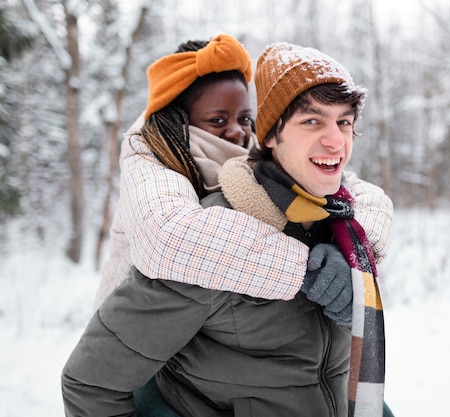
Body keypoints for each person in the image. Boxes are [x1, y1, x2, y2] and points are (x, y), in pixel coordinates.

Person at [62, 40, 393, 417]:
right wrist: (304, 269)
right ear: (272, 134)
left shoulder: (324, 211)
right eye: (311, 120)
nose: (335, 139)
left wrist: (353, 258)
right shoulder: (196, 226)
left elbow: (365, 197)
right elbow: (89, 381)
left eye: (345, 122)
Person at [94, 34, 393, 312]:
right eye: (217, 119)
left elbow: (361, 194)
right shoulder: (149, 154)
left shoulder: (250, 156)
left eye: (245, 118)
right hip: (137, 333)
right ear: (179, 121)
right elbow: (165, 235)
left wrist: (352, 251)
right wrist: (308, 268)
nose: (237, 130)